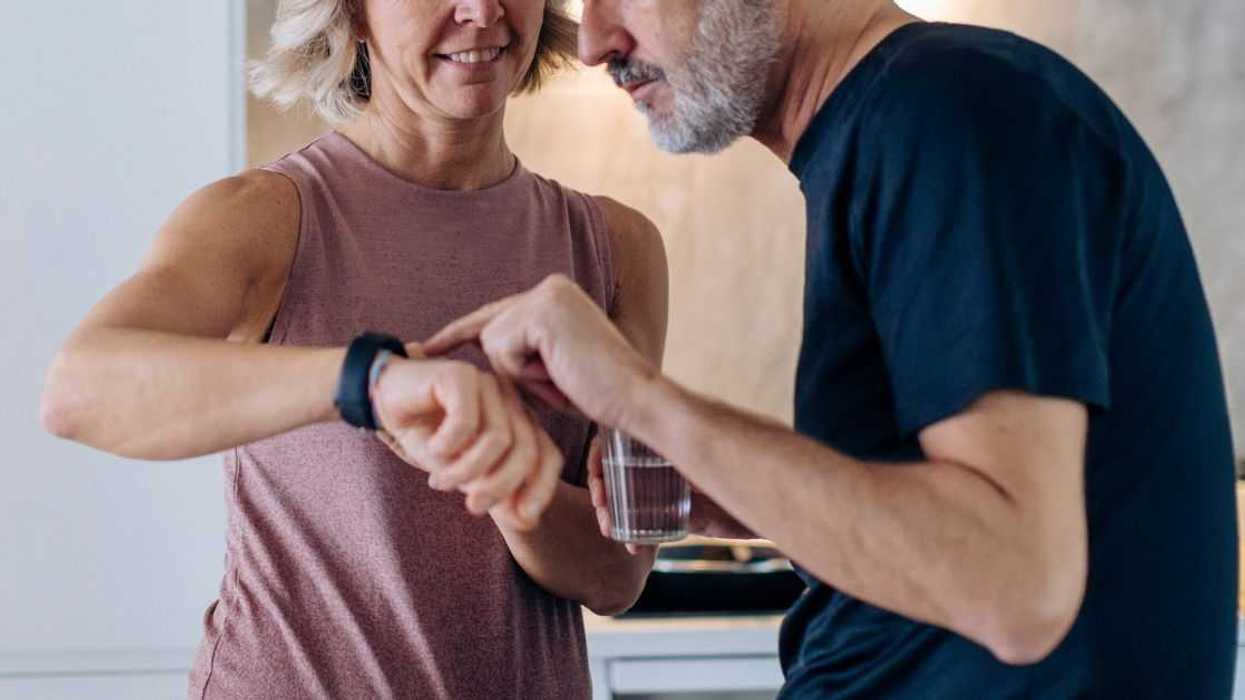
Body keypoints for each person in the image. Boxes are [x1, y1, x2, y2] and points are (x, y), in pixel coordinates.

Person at [425, 0, 1238, 697]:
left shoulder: (951, 112)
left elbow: (1014, 584)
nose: (595, 39)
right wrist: (728, 486)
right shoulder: (894, 128)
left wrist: (638, 397)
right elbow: (941, 526)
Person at [39, 0, 666, 697]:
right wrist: (371, 383)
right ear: (353, 13)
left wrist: (505, 476)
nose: (482, 11)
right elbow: (79, 388)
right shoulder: (264, 217)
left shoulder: (617, 246)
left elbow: (617, 577)